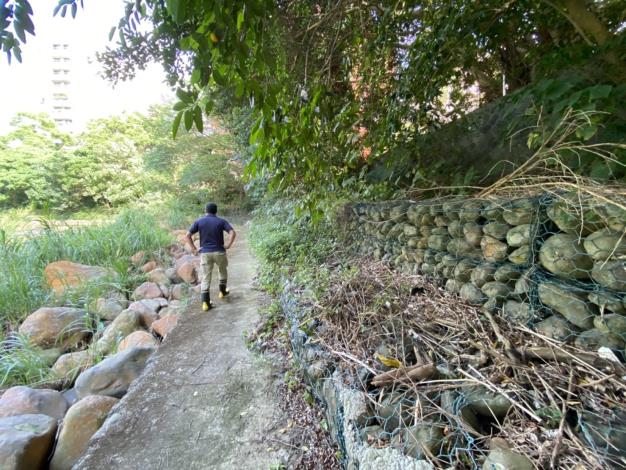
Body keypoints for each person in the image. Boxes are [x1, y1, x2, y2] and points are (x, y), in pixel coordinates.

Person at [185, 203, 236, 311]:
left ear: (205, 210)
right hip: (220, 252)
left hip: (206, 253)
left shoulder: (199, 221)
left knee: (206, 277)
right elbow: (232, 232)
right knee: (222, 271)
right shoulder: (221, 221)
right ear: (216, 211)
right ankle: (222, 292)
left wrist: (194, 249)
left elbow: (187, 235)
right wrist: (228, 245)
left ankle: (205, 303)